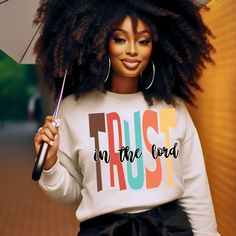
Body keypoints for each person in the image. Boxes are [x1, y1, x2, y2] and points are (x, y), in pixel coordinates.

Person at [33, 0, 220, 235]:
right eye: (120, 39)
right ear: (101, 40)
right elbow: (73, 193)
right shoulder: (73, 110)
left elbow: (195, 186)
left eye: (143, 41)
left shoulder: (172, 107)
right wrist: (50, 164)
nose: (132, 50)